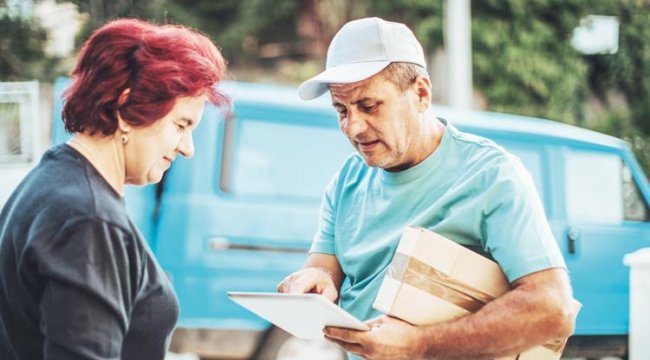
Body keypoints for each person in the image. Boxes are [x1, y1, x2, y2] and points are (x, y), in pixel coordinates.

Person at [278, 17, 576, 359]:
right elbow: (323, 268)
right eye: (340, 109)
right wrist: (313, 281)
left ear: (421, 93)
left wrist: (420, 345)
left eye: (368, 106)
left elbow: (553, 310)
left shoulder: (492, 176)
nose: (353, 126)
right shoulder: (347, 180)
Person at [0, 19, 228, 359]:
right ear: (125, 108)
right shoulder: (88, 219)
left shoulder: (53, 182)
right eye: (181, 125)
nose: (187, 148)